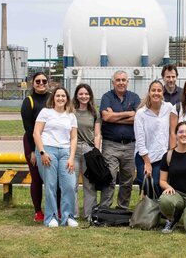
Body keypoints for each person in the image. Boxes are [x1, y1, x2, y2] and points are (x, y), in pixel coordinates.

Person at [33, 87, 78, 227]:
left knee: (69, 185)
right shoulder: (46, 112)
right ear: (53, 98)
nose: (60, 98)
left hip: (65, 151)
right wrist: (42, 153)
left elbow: (74, 138)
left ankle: (68, 216)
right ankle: (51, 217)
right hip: (48, 150)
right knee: (51, 185)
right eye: (58, 96)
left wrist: (71, 157)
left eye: (63, 96)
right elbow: (36, 133)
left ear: (67, 98)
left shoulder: (71, 115)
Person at [99, 70, 140, 209]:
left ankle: (122, 209)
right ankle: (105, 209)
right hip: (110, 145)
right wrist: (129, 113)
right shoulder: (106, 97)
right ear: (113, 82)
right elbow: (106, 117)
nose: (121, 82)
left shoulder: (134, 97)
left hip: (130, 146)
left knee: (127, 181)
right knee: (109, 178)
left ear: (128, 82)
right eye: (118, 80)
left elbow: (137, 119)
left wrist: (115, 116)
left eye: (124, 80)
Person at [134, 80, 172, 197]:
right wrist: (147, 162)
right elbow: (140, 140)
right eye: (153, 90)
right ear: (149, 93)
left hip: (162, 155)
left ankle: (161, 209)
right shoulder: (141, 113)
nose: (156, 93)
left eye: (159, 90)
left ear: (163, 92)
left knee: (158, 183)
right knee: (146, 184)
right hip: (144, 155)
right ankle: (149, 210)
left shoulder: (169, 108)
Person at [20, 72, 50, 222]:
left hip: (51, 141)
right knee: (37, 178)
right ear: (33, 83)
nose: (41, 83)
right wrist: (33, 151)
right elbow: (28, 127)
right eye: (38, 81)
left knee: (53, 177)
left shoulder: (53, 99)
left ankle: (55, 208)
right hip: (32, 142)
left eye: (44, 81)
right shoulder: (29, 101)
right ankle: (38, 211)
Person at [159, 121, 186, 234]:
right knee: (165, 199)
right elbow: (162, 180)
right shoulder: (168, 155)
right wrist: (167, 187)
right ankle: (172, 219)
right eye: (180, 132)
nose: (184, 134)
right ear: (176, 134)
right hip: (177, 196)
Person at [72, 83, 101, 220]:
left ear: (90, 96)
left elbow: (96, 134)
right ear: (76, 96)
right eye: (81, 94)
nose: (84, 96)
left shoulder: (94, 113)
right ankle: (73, 214)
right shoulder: (70, 111)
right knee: (72, 184)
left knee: (89, 185)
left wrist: (96, 150)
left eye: (86, 94)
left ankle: (89, 214)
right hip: (73, 149)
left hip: (89, 150)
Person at [169, 76, 186, 149]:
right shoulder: (177, 108)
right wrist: (172, 152)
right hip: (182, 148)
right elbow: (172, 133)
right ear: (185, 90)